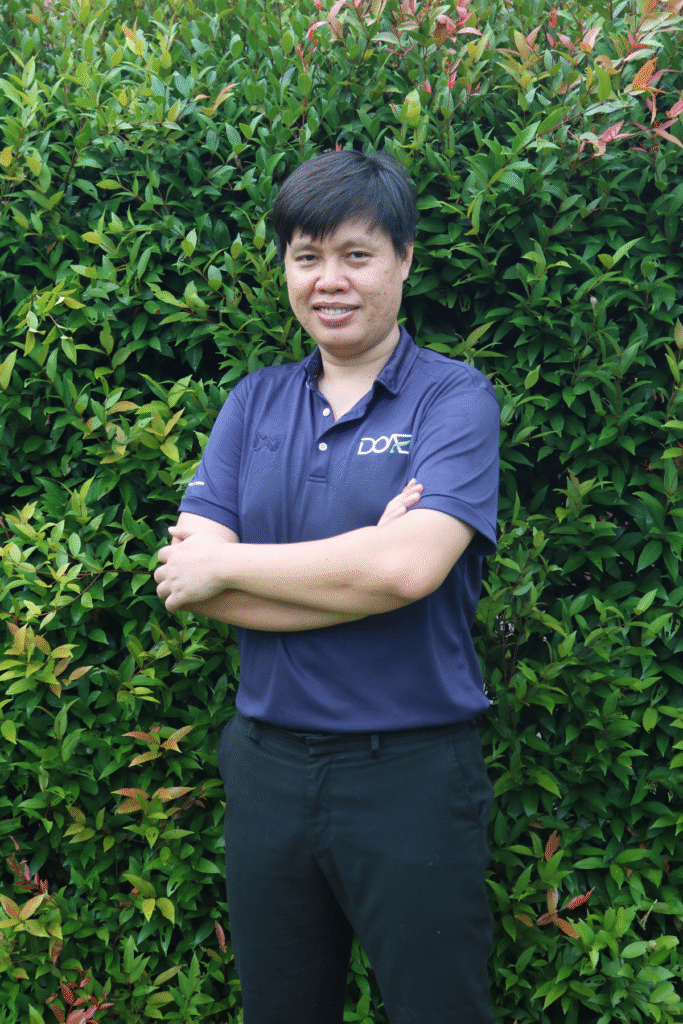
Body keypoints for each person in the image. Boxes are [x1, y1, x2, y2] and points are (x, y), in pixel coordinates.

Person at [154, 149, 500, 1024]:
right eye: (306, 257)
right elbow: (190, 582)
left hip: (409, 775)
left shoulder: (452, 400)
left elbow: (410, 568)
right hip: (266, 768)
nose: (328, 280)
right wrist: (362, 563)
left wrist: (235, 564)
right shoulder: (253, 402)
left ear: (404, 260)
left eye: (356, 254)